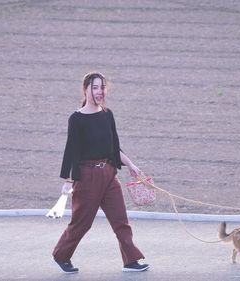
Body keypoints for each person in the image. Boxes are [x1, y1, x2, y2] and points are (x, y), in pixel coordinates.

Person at [52, 71, 149, 273]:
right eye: (94, 87)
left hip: (109, 175)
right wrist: (69, 180)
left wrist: (131, 164)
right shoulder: (76, 119)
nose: (99, 91)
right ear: (86, 89)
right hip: (86, 177)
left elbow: (114, 146)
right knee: (81, 223)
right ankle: (61, 255)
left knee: (121, 221)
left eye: (102, 87)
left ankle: (131, 261)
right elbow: (72, 150)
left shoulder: (107, 115)